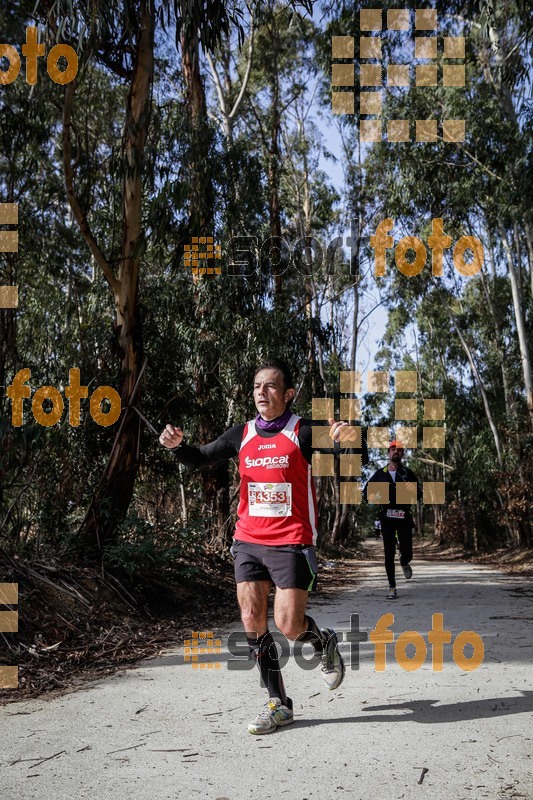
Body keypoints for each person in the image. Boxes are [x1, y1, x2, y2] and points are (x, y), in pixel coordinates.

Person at [159, 358, 368, 735]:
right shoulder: (242, 434)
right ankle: (278, 703)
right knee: (252, 620)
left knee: (289, 625)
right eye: (257, 386)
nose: (262, 392)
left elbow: (347, 452)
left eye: (271, 386)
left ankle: (324, 643)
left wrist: (346, 438)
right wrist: (178, 446)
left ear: (288, 394)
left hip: (292, 540)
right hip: (249, 540)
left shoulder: (302, 430)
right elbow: (200, 458)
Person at [363, 441, 421, 600]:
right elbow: (366, 494)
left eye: (400, 450)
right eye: (393, 449)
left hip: (404, 517)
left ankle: (404, 562)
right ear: (388, 453)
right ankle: (392, 587)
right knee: (389, 554)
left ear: (402, 454)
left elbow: (419, 495)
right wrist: (377, 496)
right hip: (387, 518)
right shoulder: (380, 474)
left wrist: (412, 490)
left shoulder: (408, 474)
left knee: (408, 552)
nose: (396, 451)